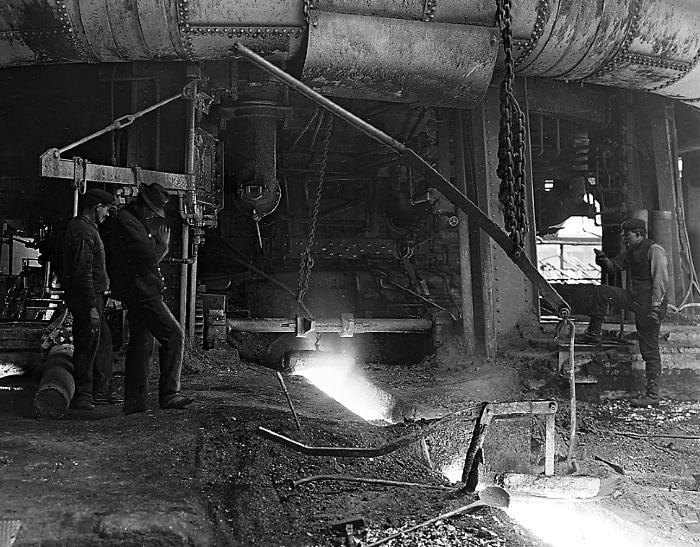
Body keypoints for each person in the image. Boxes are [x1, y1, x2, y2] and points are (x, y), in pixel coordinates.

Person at [110, 183, 193, 414]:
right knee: (174, 335)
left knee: (141, 345)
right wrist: (163, 246)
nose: (152, 216)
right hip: (143, 293)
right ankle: (169, 395)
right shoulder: (128, 222)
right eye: (151, 211)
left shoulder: (133, 221)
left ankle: (134, 403)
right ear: (143, 206)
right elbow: (148, 258)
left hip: (140, 291)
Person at [582, 218, 669, 407]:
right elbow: (615, 267)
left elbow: (660, 281)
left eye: (627, 234)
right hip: (636, 300)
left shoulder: (655, 250)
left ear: (638, 233)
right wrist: (603, 260)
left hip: (649, 306)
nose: (624, 237)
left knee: (650, 350)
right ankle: (593, 335)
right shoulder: (632, 250)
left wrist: (655, 308)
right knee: (602, 292)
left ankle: (653, 395)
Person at [62, 188, 120, 410]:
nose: (107, 214)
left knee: (103, 343)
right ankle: (84, 395)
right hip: (88, 298)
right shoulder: (83, 232)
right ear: (97, 207)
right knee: (87, 345)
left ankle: (101, 392)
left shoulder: (88, 228)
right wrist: (91, 308)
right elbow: (82, 272)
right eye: (106, 209)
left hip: (95, 297)